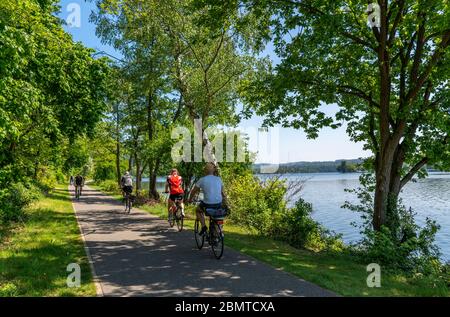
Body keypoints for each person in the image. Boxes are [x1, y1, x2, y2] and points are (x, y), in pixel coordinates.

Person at [189, 163, 227, 236]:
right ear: (214, 170)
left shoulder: (202, 180)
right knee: (218, 216)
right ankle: (217, 233)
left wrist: (190, 199)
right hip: (218, 203)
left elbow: (193, 191)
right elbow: (223, 193)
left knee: (198, 210)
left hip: (208, 204)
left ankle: (203, 226)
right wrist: (225, 202)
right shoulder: (219, 179)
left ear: (205, 171)